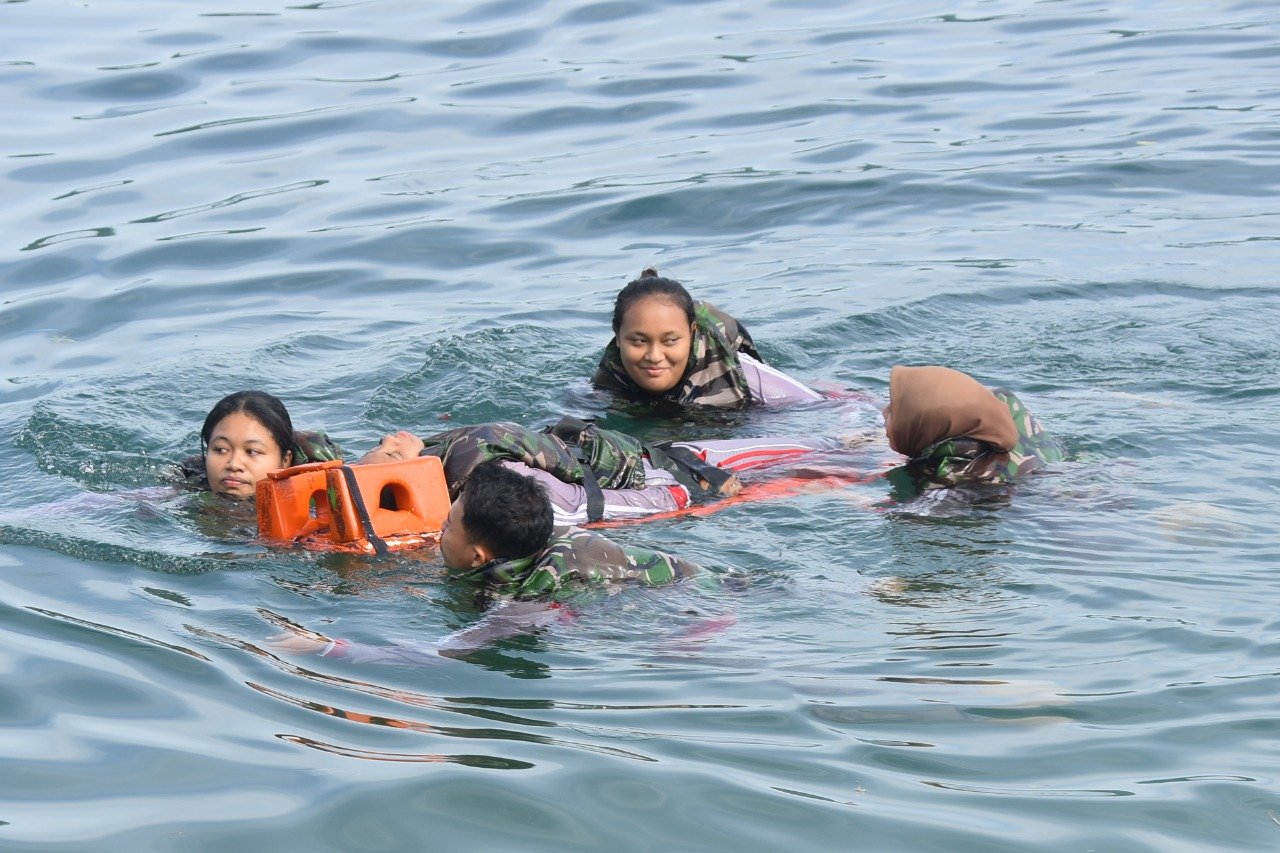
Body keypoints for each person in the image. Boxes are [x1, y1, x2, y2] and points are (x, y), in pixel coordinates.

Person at [268, 460, 704, 663]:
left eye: (450, 523)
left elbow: (441, 652)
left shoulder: (529, 600)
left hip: (695, 620)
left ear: (478, 554)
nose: (441, 524)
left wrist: (324, 647)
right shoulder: (532, 538)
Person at [590, 268, 825, 409]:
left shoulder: (746, 378)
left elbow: (823, 409)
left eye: (670, 341)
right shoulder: (607, 380)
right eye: (639, 341)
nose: (654, 356)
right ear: (617, 336)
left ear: (692, 334)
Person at [881, 364, 1064, 498]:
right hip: (1070, 479)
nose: (883, 412)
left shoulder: (952, 479)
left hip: (1054, 514)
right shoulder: (1004, 414)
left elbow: (913, 517)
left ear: (920, 428)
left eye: (894, 411)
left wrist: (855, 498)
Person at [178, 390, 341, 499]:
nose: (234, 465)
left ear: (285, 460)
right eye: (220, 449)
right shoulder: (190, 479)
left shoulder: (320, 495)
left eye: (252, 451)